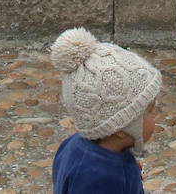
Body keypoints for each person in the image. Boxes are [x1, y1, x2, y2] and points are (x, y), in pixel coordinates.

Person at [50, 27, 162, 194]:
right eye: (150, 110)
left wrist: (129, 169)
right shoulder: (102, 179)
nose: (156, 114)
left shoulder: (72, 145)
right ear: (120, 129)